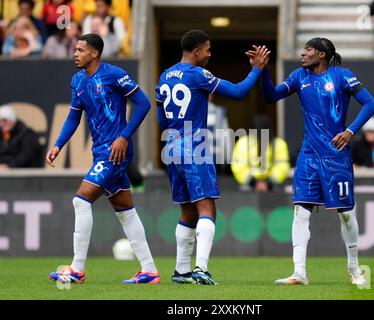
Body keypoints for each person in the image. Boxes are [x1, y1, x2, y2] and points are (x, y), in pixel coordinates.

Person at [260, 37, 374, 286]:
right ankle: (299, 272)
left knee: (346, 215)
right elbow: (270, 96)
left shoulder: (342, 76)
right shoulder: (298, 77)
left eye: (308, 50)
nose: (302, 54)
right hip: (309, 155)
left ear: (322, 54)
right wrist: (262, 71)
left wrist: (350, 131)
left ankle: (354, 268)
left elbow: (370, 103)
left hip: (336, 155)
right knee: (301, 211)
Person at [156, 29, 269, 285]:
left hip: (171, 146)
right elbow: (239, 92)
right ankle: (201, 269)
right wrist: (257, 69)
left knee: (187, 211)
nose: (210, 54)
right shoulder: (198, 75)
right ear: (196, 51)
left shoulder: (164, 76)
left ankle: (181, 271)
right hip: (193, 145)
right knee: (207, 208)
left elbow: (161, 119)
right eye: (207, 49)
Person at [46, 33, 159, 285]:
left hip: (115, 151)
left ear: (94, 53)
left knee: (81, 200)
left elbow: (143, 104)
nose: (75, 54)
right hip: (101, 151)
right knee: (125, 210)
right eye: (75, 50)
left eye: (80, 50)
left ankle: (77, 269)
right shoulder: (77, 80)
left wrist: (124, 136)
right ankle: (149, 271)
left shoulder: (114, 74)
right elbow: (74, 117)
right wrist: (58, 144)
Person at [231, 114, 290, 192]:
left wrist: (268, 183)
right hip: (250, 186)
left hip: (271, 186)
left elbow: (282, 167)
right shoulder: (243, 142)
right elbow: (238, 167)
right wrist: (254, 183)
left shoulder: (278, 144)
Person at [0, 105, 43, 169]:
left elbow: (27, 156)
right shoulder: (3, 135)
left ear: (12, 120)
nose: (1, 124)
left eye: (4, 120)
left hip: (26, 175)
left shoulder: (27, 134)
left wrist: (9, 166)